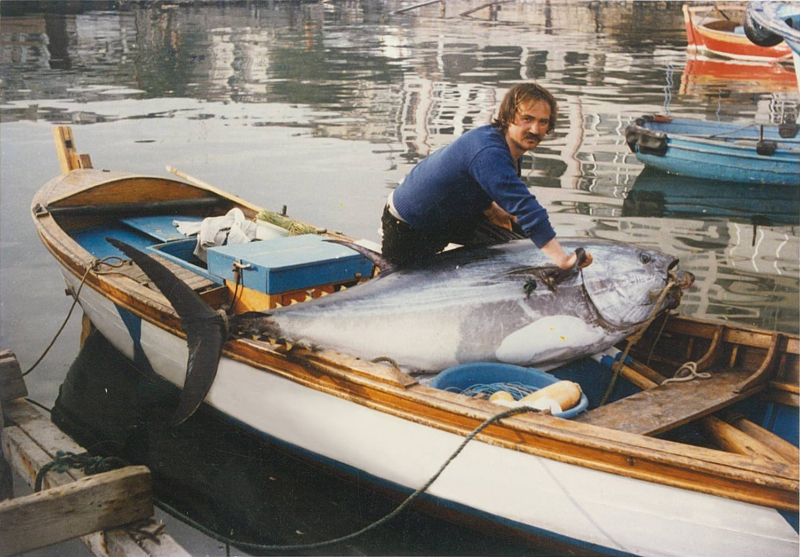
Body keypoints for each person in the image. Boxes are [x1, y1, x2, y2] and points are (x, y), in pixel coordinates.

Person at [381, 82, 593, 270]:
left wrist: (492, 209)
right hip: (410, 225)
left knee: (521, 241)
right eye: (526, 119)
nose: (535, 129)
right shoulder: (489, 152)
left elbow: (475, 181)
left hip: (450, 215)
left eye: (543, 122)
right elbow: (526, 207)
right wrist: (563, 260)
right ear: (509, 117)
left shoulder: (509, 148)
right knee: (407, 292)